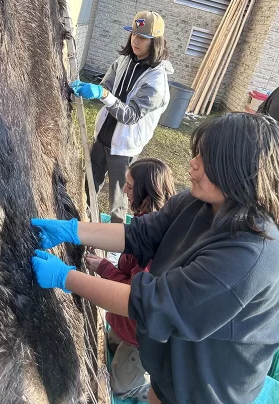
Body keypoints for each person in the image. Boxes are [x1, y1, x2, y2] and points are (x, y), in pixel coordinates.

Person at [31, 112, 279, 404]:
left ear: (236, 169)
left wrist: (64, 277)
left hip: (207, 388)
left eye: (204, 158)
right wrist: (72, 231)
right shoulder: (197, 202)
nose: (192, 162)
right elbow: (140, 234)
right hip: (171, 365)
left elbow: (150, 304)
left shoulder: (249, 256)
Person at [85, 158, 175, 402]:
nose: (124, 190)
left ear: (146, 192)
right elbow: (127, 267)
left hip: (142, 335)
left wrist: (104, 267)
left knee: (116, 386)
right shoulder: (143, 221)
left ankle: (147, 388)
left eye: (130, 186)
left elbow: (131, 294)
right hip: (129, 325)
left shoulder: (157, 246)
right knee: (111, 341)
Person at [72, 10, 174, 223]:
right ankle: (83, 227)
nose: (135, 41)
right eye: (133, 34)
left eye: (143, 38)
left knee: (118, 200)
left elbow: (130, 116)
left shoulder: (157, 83)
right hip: (102, 137)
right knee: (88, 187)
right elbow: (107, 85)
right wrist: (94, 90)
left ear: (155, 42)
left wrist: (104, 95)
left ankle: (113, 249)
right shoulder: (124, 61)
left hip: (124, 148)